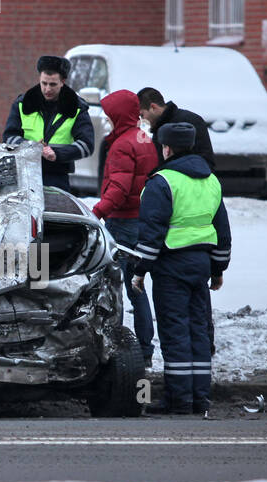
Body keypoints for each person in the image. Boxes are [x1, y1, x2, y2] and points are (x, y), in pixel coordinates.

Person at [131, 122, 232, 416]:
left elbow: (151, 232)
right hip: (200, 266)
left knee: (175, 331)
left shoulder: (162, 182)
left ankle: (179, 401)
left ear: (167, 148)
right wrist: (218, 269)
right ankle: (200, 399)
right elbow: (222, 230)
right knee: (198, 330)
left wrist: (140, 270)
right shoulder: (211, 180)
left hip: (171, 265)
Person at [90, 89, 158, 364]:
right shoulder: (144, 139)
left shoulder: (121, 145)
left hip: (122, 223)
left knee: (114, 286)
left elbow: (118, 189)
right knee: (138, 286)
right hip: (142, 219)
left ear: (118, 116)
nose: (106, 121)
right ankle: (145, 349)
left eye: (109, 116)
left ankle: (119, 348)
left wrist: (96, 212)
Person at [3, 56, 95, 192]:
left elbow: (87, 145)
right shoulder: (23, 104)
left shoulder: (77, 108)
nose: (47, 89)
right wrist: (32, 147)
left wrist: (56, 153)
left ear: (63, 82)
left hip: (57, 176)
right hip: (24, 174)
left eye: (52, 84)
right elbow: (9, 137)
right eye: (44, 83)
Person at [136, 87, 216, 172]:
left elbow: (206, 162)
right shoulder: (158, 129)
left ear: (153, 107)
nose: (143, 120)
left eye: (142, 115)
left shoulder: (191, 121)